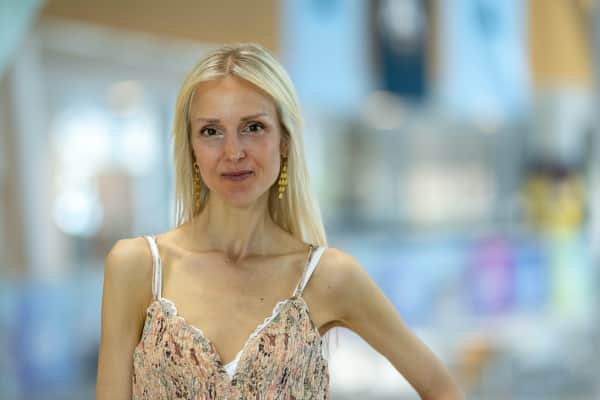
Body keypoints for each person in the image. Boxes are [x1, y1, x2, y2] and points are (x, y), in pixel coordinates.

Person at [95, 42, 464, 400]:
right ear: (191, 146)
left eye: (253, 127)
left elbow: (442, 389)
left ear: (284, 140)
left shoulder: (328, 276)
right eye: (211, 131)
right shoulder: (137, 266)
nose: (233, 152)